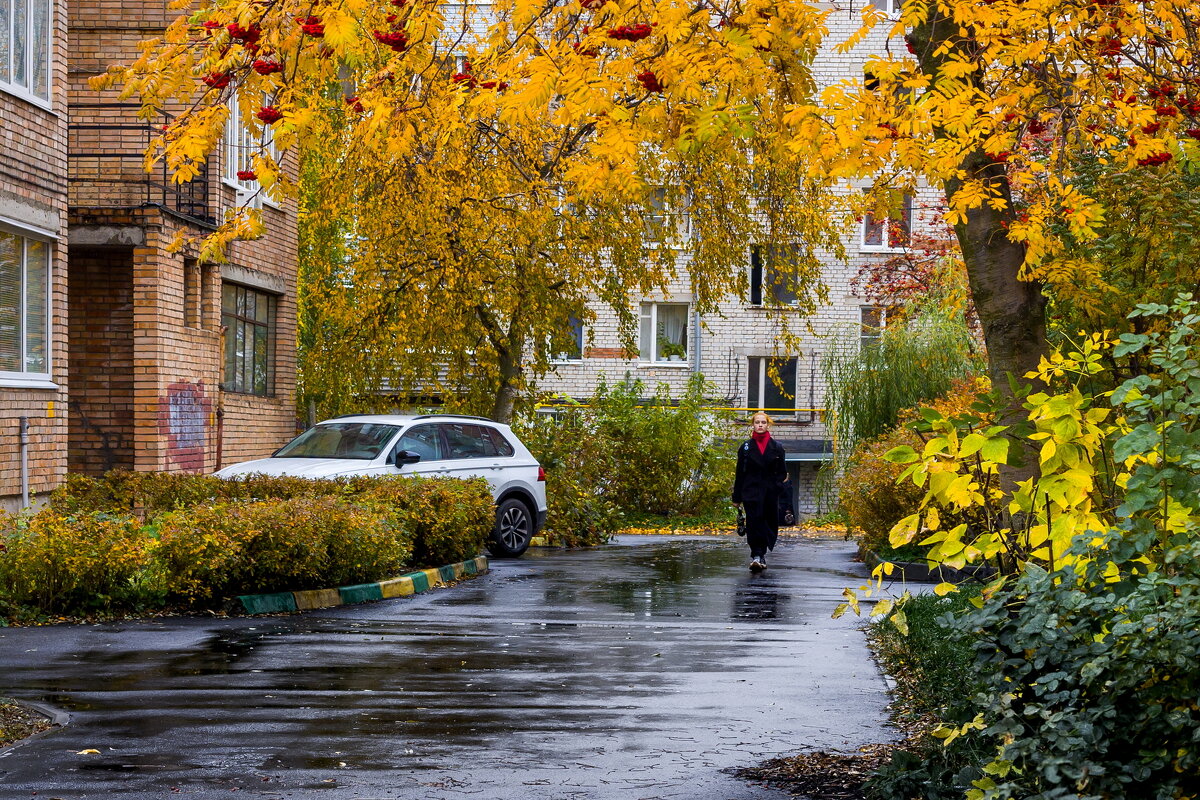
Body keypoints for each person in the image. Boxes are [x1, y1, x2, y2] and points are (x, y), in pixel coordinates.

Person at [732, 411, 788, 572]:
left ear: (768, 425)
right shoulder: (746, 448)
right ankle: (757, 554)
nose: (760, 425)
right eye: (757, 422)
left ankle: (761, 553)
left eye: (763, 422)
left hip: (770, 493)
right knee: (754, 521)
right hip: (751, 491)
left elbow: (782, 473)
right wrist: (737, 497)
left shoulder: (777, 447)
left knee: (768, 522)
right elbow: (739, 473)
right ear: (753, 425)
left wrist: (777, 487)